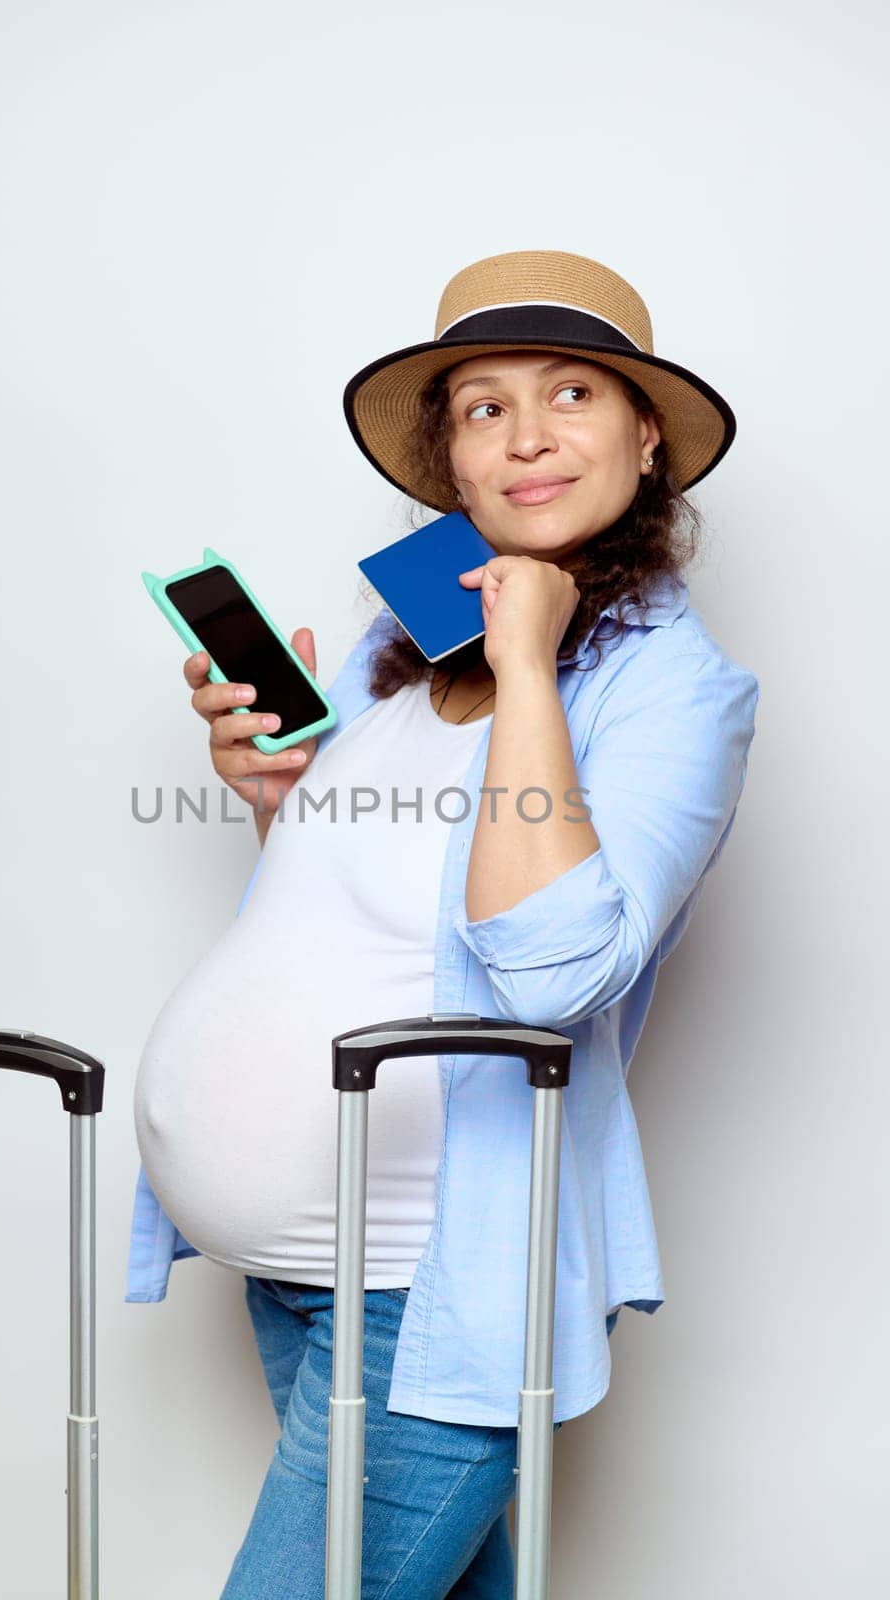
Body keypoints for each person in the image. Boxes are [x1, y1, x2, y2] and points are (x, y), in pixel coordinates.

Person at [126, 249, 760, 1597]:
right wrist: (283, 794)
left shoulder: (675, 690)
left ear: (646, 436)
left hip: (433, 1294)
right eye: (482, 406)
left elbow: (551, 970)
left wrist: (531, 656)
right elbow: (355, 909)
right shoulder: (400, 629)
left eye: (573, 392)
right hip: (301, 1269)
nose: (525, 437)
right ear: (449, 458)